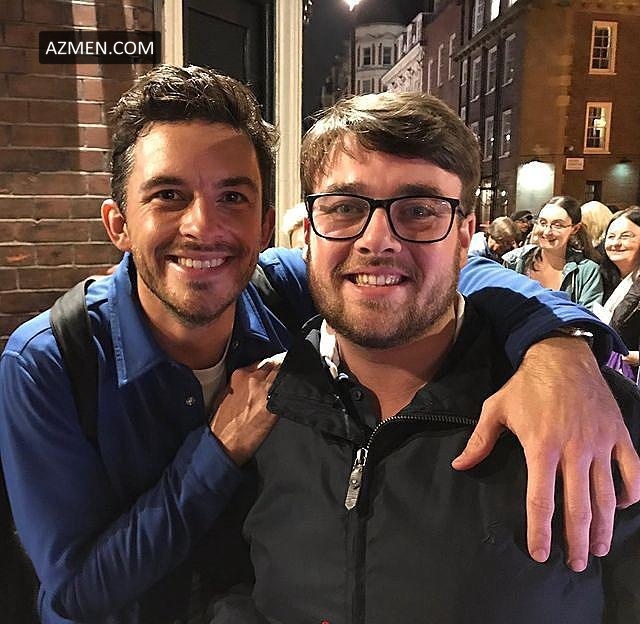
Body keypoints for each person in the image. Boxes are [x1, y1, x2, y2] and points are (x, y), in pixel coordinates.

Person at [0, 66, 637, 624]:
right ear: (118, 223)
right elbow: (78, 590)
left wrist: (558, 344)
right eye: (168, 196)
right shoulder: (51, 360)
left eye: (233, 197)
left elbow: (438, 276)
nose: (203, 225)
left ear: (266, 224)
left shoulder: (277, 293)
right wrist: (219, 452)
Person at [208, 92, 640, 624]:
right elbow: (233, 583)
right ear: (307, 234)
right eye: (344, 207)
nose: (377, 241)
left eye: (418, 211)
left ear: (464, 236)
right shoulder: (262, 407)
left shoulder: (592, 419)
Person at [504, 196, 604, 309]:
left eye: (557, 225)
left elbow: (587, 316)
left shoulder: (587, 272)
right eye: (542, 223)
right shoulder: (515, 261)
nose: (547, 232)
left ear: (575, 228)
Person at [595, 207, 640, 380]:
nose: (616, 243)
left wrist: (634, 357)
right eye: (611, 236)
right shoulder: (602, 278)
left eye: (626, 236)